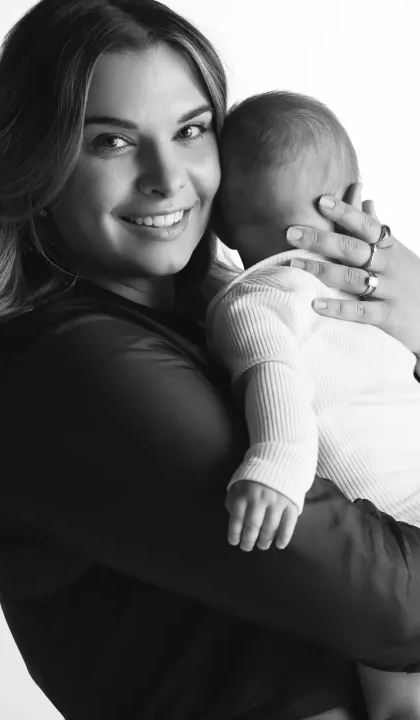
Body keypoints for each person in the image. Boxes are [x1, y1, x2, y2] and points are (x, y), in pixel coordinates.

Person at [0, 1, 420, 718]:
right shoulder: (73, 365)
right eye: (111, 141)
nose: (167, 178)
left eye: (191, 130)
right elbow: (394, 604)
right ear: (36, 164)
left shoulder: (213, 318)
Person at [207, 90, 420, 720]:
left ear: (221, 228)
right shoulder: (381, 295)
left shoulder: (254, 298)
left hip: (386, 529)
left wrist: (276, 463)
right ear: (354, 200)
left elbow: (275, 377)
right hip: (405, 495)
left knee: (400, 699)